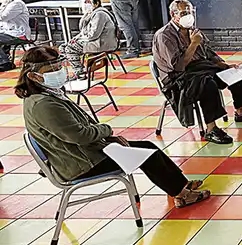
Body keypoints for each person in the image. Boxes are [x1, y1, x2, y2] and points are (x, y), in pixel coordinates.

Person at [19, 46, 211, 208]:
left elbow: (80, 129)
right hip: (83, 163)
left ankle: (180, 185)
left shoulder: (49, 95)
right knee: (148, 155)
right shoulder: (44, 104)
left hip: (86, 152)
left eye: (59, 65)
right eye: (51, 69)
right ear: (34, 77)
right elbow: (80, 135)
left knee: (147, 147)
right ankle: (182, 195)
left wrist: (106, 138)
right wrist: (106, 131)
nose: (59, 71)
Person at [153, 0, 242, 145]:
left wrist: (222, 64)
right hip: (179, 77)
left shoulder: (193, 31)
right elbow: (178, 66)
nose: (189, 15)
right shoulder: (164, 36)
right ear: (173, 15)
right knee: (207, 84)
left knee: (236, 74)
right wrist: (193, 43)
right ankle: (211, 129)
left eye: (190, 11)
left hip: (202, 67)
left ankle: (241, 112)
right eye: (184, 12)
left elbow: (209, 53)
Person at [59, 0, 118, 74]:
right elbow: (84, 32)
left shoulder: (99, 14)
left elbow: (93, 35)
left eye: (87, 2)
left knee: (70, 49)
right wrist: (76, 38)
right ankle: (72, 70)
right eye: (84, 2)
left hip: (101, 42)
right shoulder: (89, 14)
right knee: (62, 47)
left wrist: (79, 40)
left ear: (96, 3)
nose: (85, 5)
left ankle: (80, 72)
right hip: (95, 41)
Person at [0, 0, 29, 72]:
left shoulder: (16, 4)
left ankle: (5, 63)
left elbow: (2, 17)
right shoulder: (5, 4)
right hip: (7, 32)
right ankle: (4, 56)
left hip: (18, 34)